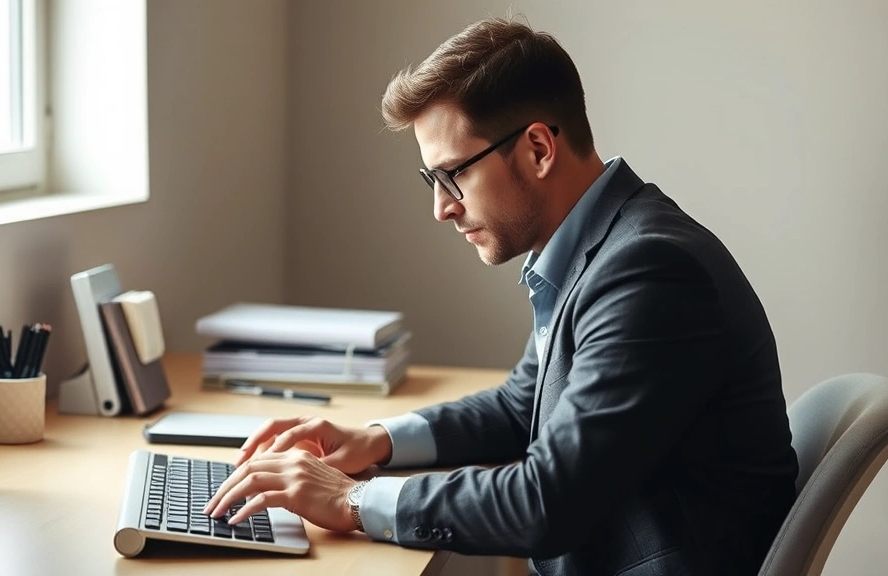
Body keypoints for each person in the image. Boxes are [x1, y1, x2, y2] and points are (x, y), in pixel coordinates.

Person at [205, 16, 798, 576]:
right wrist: (375, 440)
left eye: (453, 175)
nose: (441, 208)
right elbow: (524, 405)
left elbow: (548, 501)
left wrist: (354, 500)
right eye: (430, 180)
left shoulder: (650, 271)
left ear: (539, 148)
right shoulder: (600, 247)